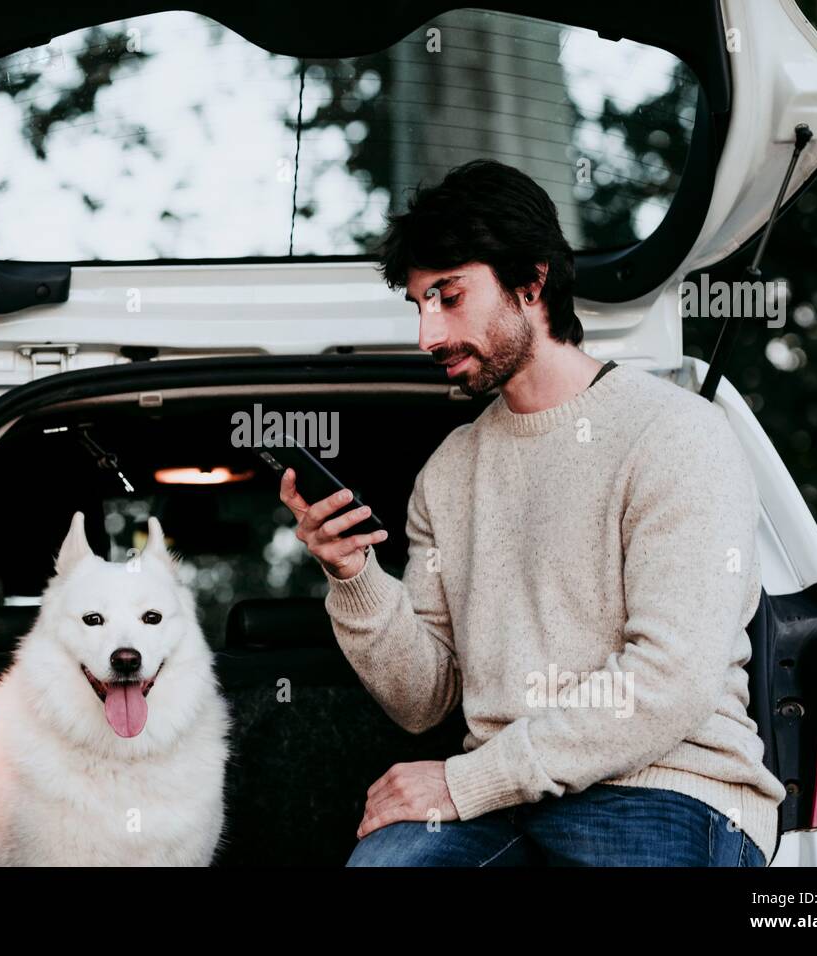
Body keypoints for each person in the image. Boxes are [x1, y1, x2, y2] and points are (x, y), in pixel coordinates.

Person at [279, 159, 786, 866]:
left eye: (449, 297)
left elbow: (671, 679)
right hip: (499, 805)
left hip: (667, 790)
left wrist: (466, 781)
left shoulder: (676, 433)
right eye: (420, 304)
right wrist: (353, 574)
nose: (428, 335)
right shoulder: (449, 473)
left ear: (532, 281)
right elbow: (426, 699)